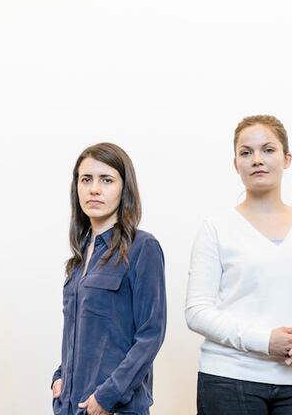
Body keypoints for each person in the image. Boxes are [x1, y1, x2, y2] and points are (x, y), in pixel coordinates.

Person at [185, 115, 292, 415]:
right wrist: (265, 341)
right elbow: (197, 311)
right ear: (236, 164)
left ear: (287, 158)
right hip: (228, 378)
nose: (257, 160)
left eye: (268, 150)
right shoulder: (215, 228)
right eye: (246, 152)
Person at [51, 143, 166, 415]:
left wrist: (108, 396)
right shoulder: (78, 260)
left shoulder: (143, 248)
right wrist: (59, 376)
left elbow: (151, 334)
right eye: (86, 179)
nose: (94, 189)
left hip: (116, 409)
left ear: (124, 188)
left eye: (107, 180)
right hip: (70, 406)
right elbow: (78, 333)